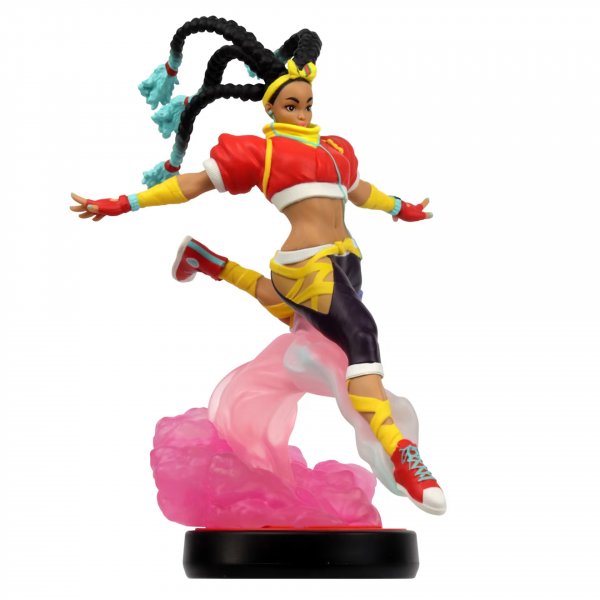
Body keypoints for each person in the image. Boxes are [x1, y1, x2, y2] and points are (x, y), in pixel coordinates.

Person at [70, 17, 446, 516]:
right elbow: (189, 185)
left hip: (347, 264)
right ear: (270, 107)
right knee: (360, 333)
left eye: (307, 104)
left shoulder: (336, 149)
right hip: (306, 266)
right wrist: (125, 202)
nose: (302, 113)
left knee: (310, 335)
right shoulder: (261, 153)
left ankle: (208, 261)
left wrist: (400, 208)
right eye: (291, 105)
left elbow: (360, 192)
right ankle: (402, 455)